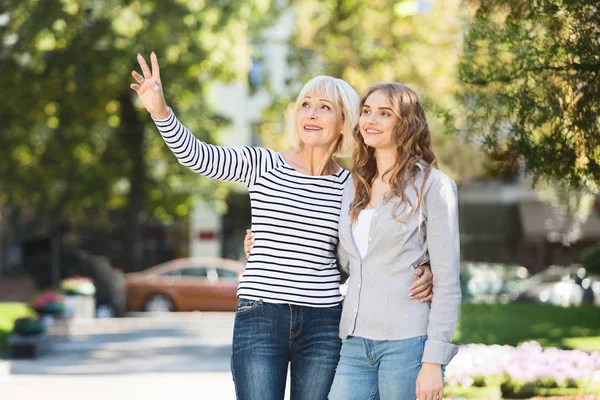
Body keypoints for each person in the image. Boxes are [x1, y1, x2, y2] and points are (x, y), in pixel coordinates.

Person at [130, 53, 433, 400]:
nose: (312, 113)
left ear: (343, 122)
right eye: (305, 104)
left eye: (324, 107)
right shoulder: (263, 164)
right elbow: (199, 156)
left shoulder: (353, 186)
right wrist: (160, 112)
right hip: (261, 314)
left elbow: (375, 246)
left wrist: (424, 267)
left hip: (323, 322)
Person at [327, 82, 461, 400]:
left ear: (406, 123)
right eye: (366, 112)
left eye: (384, 113)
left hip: (408, 343)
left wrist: (433, 361)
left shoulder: (433, 185)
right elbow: (344, 261)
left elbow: (447, 280)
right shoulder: (352, 185)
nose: (371, 120)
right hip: (355, 341)